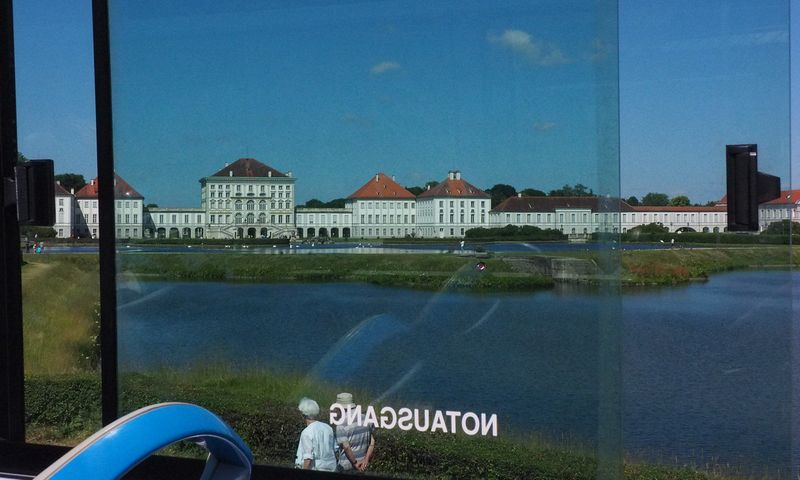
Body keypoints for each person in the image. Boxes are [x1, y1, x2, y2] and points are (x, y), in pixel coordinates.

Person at [334, 392, 375, 473]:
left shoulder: (341, 424)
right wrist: (366, 460)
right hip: (363, 465)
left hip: (346, 466)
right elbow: (372, 442)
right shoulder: (366, 418)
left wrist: (355, 463)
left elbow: (346, 447)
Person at [294, 397, 337, 471]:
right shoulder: (328, 428)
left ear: (303, 415)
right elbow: (335, 449)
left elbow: (308, 457)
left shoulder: (306, 432)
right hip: (331, 469)